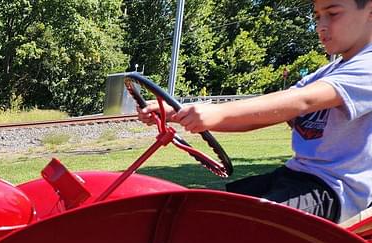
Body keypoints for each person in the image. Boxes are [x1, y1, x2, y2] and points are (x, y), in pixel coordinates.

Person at [144, 0, 372, 223]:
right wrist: (175, 113)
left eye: (332, 14)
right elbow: (267, 114)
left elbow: (303, 100)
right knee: (206, 212)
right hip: (294, 176)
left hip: (331, 191)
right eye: (317, 15)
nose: (321, 25)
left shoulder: (367, 65)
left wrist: (219, 112)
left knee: (243, 229)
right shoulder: (329, 71)